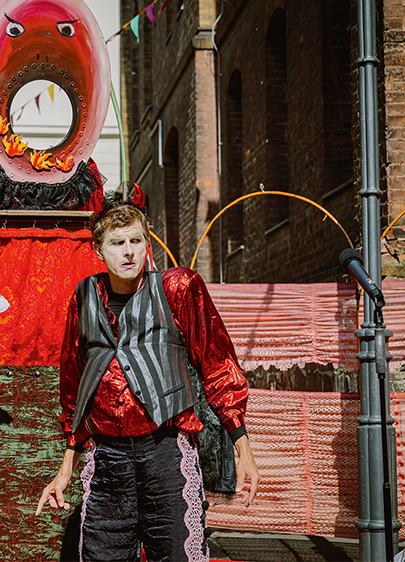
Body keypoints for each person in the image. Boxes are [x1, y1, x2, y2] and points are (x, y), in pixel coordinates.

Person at [35, 192, 260, 562]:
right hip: (108, 458)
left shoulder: (177, 288)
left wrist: (243, 448)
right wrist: (65, 471)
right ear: (98, 249)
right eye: (117, 243)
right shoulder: (85, 296)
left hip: (165, 452)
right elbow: (74, 386)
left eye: (136, 240)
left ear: (147, 243)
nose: (128, 252)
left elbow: (218, 364)